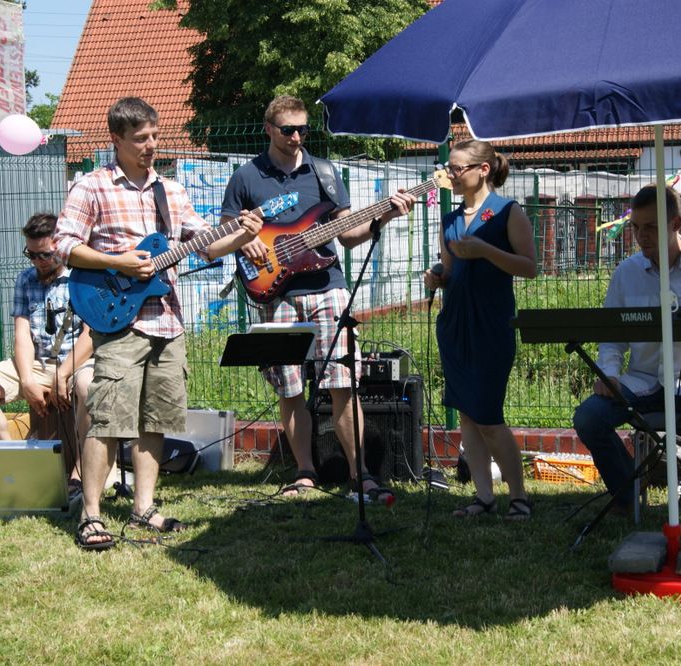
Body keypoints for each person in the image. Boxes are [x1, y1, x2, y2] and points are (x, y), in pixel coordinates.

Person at [54, 97, 261, 550]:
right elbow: (64, 246)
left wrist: (241, 235)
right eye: (141, 139)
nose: (151, 145)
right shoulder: (91, 186)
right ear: (117, 139)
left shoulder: (171, 190)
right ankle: (90, 515)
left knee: (155, 420)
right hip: (119, 320)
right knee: (107, 420)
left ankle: (144, 507)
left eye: (154, 136)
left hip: (168, 320)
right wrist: (119, 262)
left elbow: (205, 245)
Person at [221, 95, 416, 499]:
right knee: (289, 388)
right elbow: (225, 234)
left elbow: (347, 234)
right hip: (274, 293)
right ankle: (305, 472)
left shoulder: (324, 173)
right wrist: (246, 243)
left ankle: (359, 473)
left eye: (303, 130)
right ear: (268, 129)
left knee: (342, 383)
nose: (296, 137)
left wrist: (385, 215)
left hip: (327, 287)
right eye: (288, 129)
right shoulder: (246, 177)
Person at [572, 184, 681, 533]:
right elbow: (611, 336)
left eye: (650, 227)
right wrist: (609, 375)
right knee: (589, 416)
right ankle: (627, 491)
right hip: (642, 379)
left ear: (677, 223)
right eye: (636, 226)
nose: (640, 236)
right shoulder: (627, 272)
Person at [423, 140, 537, 520]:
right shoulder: (450, 220)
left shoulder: (507, 212)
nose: (450, 175)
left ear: (482, 170)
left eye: (457, 169)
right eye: (450, 169)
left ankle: (518, 496)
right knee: (468, 414)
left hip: (491, 324)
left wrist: (486, 251)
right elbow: (452, 271)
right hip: (455, 324)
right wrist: (437, 277)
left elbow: (529, 267)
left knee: (487, 413)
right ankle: (483, 496)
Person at [0, 213, 93, 496]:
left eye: (44, 255)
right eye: (30, 254)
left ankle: (79, 477)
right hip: (36, 362)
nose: (36, 261)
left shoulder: (82, 278)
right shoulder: (25, 279)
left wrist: (64, 374)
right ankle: (14, 456)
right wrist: (27, 379)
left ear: (61, 247)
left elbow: (89, 335)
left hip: (77, 363)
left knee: (89, 386)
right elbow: (22, 335)